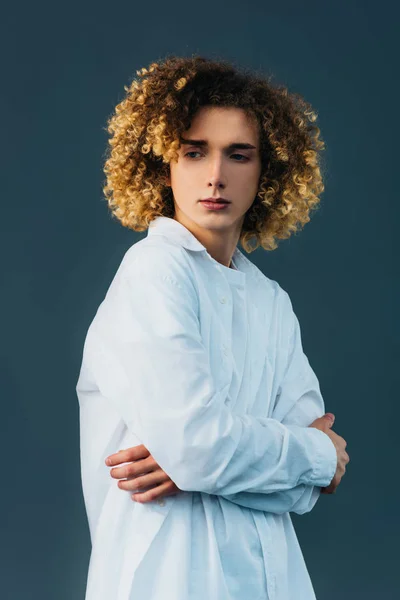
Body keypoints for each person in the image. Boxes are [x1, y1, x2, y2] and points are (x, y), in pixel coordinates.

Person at [75, 55, 350, 600]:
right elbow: (207, 448)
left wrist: (201, 466)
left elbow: (308, 492)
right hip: (172, 580)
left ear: (266, 171)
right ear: (163, 165)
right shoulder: (154, 271)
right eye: (194, 152)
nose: (216, 175)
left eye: (238, 155)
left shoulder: (272, 302)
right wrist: (312, 452)